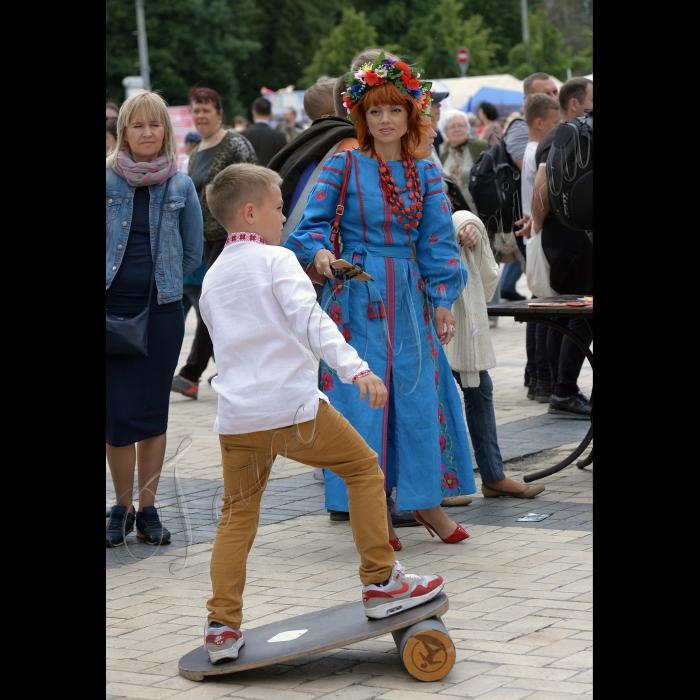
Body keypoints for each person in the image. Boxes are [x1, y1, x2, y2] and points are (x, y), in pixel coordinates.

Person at [198, 162, 445, 664]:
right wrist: (358, 371)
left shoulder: (212, 276)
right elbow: (314, 323)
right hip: (291, 410)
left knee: (236, 516)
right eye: (277, 206)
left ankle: (222, 628)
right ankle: (380, 582)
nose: (284, 216)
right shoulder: (277, 261)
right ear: (251, 211)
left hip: (238, 420)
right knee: (362, 468)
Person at [284, 54, 475, 550]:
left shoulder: (425, 173)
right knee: (362, 403)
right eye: (374, 112)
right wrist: (322, 253)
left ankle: (426, 502)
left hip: (410, 296)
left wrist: (442, 298)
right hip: (356, 295)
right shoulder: (343, 162)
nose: (385, 120)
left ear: (412, 113)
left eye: (394, 110)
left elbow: (437, 239)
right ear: (360, 117)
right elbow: (306, 230)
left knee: (417, 396)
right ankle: (375, 512)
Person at [106, 90, 203, 547]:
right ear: (123, 131)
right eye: (137, 125)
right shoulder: (106, 180)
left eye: (155, 124)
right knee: (116, 416)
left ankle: (147, 509)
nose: (147, 133)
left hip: (162, 315)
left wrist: (162, 281)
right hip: (111, 314)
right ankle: (119, 507)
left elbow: (191, 253)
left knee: (152, 414)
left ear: (166, 131)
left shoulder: (180, 185)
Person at [445, 209, 546, 500]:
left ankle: (493, 475)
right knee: (435, 396)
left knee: (479, 386)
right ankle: (441, 483)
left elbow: (455, 216)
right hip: (415, 301)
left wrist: (467, 224)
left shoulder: (426, 183)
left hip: (453, 306)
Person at [171, 86, 258, 400]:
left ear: (219, 113)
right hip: (203, 239)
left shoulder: (235, 143)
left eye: (206, 110)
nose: (200, 116)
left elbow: (256, 182)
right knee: (217, 307)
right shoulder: (196, 152)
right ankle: (226, 371)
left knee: (215, 304)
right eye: (196, 110)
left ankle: (193, 373)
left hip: (231, 235)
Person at [531, 78, 593, 418]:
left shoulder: (569, 133)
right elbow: (541, 191)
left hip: (567, 235)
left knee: (566, 314)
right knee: (578, 315)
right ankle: (564, 391)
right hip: (569, 237)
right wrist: (538, 228)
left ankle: (560, 388)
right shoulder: (565, 134)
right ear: (575, 103)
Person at [519, 93, 561, 401]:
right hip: (538, 233)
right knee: (548, 308)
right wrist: (539, 223)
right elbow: (540, 195)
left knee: (539, 307)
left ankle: (536, 376)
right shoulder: (539, 150)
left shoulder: (529, 149)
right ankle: (545, 378)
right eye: (555, 123)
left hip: (532, 232)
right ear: (539, 122)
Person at [439, 109, 488, 215]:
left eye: (460, 125)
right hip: (458, 215)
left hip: (482, 212)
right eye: (452, 126)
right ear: (446, 132)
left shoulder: (481, 146)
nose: (457, 129)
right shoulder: (444, 156)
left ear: (467, 128)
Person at [240, 97, 287, 166]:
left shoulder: (242, 135)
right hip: (271, 175)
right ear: (271, 114)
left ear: (254, 112)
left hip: (249, 175)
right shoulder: (280, 136)